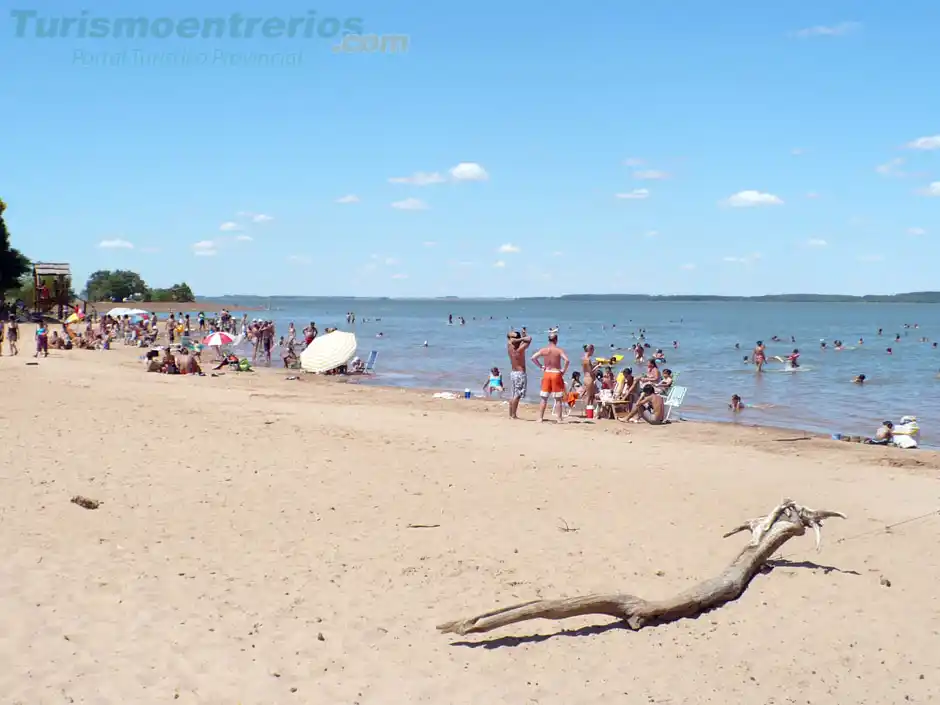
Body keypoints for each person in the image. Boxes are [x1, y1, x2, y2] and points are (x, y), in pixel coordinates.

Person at [530, 332, 570, 423]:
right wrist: (563, 370)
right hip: (556, 373)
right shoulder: (558, 350)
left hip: (547, 373)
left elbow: (533, 358)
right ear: (556, 340)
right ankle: (559, 418)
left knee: (544, 397)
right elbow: (567, 360)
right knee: (558, 398)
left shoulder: (544, 350)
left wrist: (541, 366)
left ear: (549, 340)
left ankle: (540, 418)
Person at [506, 330, 532, 419]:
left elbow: (510, 339)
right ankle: (513, 415)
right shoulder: (520, 349)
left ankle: (511, 414)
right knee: (517, 395)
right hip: (520, 374)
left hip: (513, 373)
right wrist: (522, 338)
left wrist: (521, 338)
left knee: (513, 394)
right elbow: (529, 339)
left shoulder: (509, 346)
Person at [581, 344, 597, 409]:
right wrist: (597, 366)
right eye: (593, 350)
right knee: (589, 396)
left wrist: (593, 365)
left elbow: (586, 369)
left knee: (591, 396)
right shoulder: (588, 359)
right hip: (589, 378)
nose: (593, 352)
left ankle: (589, 410)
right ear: (590, 350)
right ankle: (587, 411)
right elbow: (591, 371)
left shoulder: (583, 358)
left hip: (585, 377)